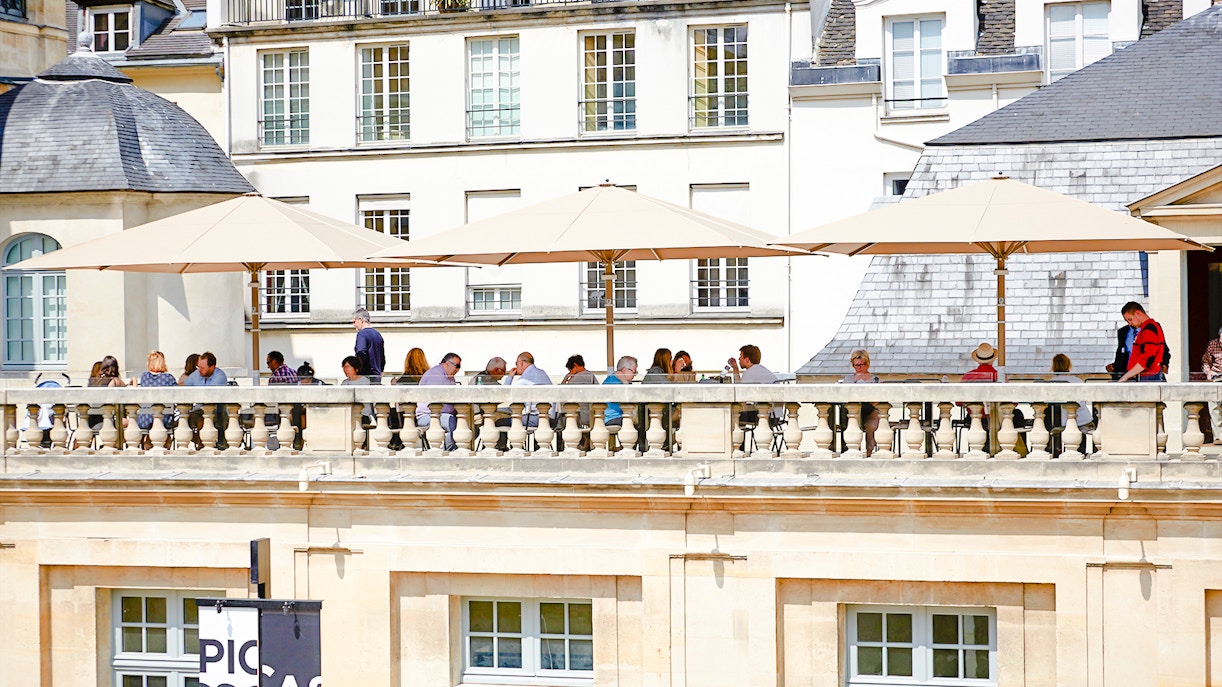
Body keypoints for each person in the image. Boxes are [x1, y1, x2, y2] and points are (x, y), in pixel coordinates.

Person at [416, 353, 461, 451]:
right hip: (427, 415)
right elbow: (435, 402)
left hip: (442, 414)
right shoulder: (435, 375)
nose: (458, 369)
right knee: (451, 422)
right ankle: (448, 452)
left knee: (471, 427)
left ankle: (452, 450)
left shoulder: (450, 376)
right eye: (457, 366)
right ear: (448, 363)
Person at [184, 352, 229, 448]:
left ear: (212, 367)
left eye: (203, 368)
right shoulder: (197, 373)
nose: (199, 370)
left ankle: (206, 445)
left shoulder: (220, 377)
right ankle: (203, 443)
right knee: (183, 420)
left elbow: (209, 396)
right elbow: (183, 387)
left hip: (217, 411)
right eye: (198, 367)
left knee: (203, 419)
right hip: (198, 410)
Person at [840, 348, 880, 456]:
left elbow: (878, 400)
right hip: (851, 409)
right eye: (857, 365)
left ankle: (869, 451)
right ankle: (850, 450)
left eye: (862, 364)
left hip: (870, 408)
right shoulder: (848, 379)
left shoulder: (874, 380)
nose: (859, 368)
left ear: (867, 364)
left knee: (872, 423)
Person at [135, 351, 178, 447]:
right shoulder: (169, 378)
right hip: (165, 419)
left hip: (145, 418)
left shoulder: (144, 377)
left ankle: (148, 445)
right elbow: (178, 395)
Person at [1116, 302, 1167, 382]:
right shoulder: (1149, 328)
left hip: (1148, 376)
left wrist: (1125, 377)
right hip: (1147, 375)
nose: (1130, 324)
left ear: (1138, 313)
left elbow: (1147, 358)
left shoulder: (1148, 329)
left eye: (1130, 319)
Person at [557, 354, 597, 450]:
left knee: (560, 419)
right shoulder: (591, 375)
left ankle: (561, 446)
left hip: (580, 415)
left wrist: (567, 378)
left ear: (575, 366)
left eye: (570, 370)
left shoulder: (579, 377)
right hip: (591, 413)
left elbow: (561, 393)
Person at [602, 355, 638, 450]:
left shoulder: (611, 378)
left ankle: (623, 448)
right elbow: (628, 399)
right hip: (611, 418)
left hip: (610, 417)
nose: (634, 375)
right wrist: (625, 383)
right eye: (634, 371)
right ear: (625, 370)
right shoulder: (615, 382)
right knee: (639, 425)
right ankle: (629, 449)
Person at [352, 307, 386, 383]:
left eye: (354, 321)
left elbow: (361, 353)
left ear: (361, 320)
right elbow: (382, 358)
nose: (354, 325)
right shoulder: (378, 335)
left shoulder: (362, 334)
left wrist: (356, 370)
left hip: (365, 376)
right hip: (377, 376)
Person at [1202, 328, 1222, 442]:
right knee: (1215, 407)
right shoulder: (1213, 345)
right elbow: (1205, 361)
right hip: (1216, 377)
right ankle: (1219, 436)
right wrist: (1208, 372)